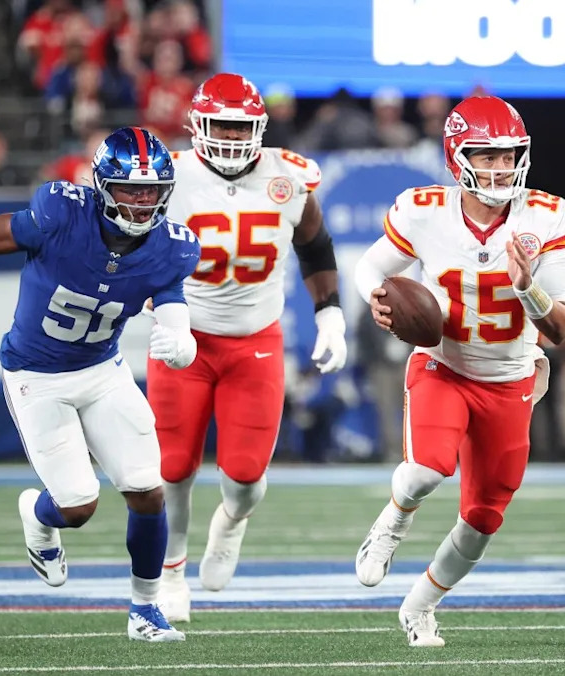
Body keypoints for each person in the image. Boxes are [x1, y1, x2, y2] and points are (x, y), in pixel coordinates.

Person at [0, 127, 200, 642]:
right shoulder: (59, 214)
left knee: (146, 491)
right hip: (36, 374)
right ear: (101, 187)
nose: (142, 204)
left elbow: (172, 302)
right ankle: (39, 515)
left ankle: (146, 609)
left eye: (151, 191)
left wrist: (182, 341)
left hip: (102, 370)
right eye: (129, 190)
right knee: (78, 504)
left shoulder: (175, 247)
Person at [352, 96, 565, 647]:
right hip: (444, 366)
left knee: (483, 521)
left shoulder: (547, 217)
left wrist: (527, 287)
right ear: (457, 156)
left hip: (511, 378)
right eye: (486, 155)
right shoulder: (424, 209)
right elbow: (371, 266)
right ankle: (393, 520)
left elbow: (563, 327)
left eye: (508, 156)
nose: (500, 168)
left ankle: (420, 606)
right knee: (428, 468)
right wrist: (377, 299)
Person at [148, 73, 348, 622]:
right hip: (185, 335)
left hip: (255, 341)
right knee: (172, 468)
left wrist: (330, 315)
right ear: (198, 125)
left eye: (243, 126)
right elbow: (135, 251)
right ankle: (170, 574)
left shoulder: (289, 176)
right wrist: (154, 313)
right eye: (223, 125)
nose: (234, 138)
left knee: (244, 481)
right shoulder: (169, 176)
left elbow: (315, 245)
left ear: (260, 127)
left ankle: (230, 524)